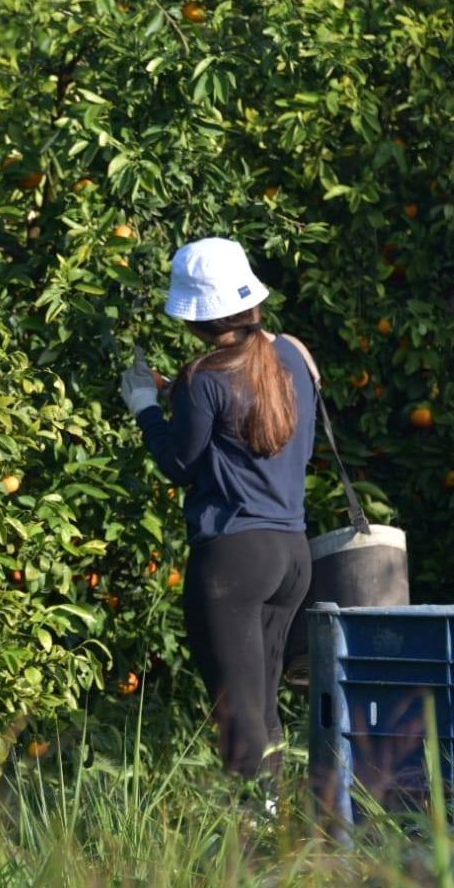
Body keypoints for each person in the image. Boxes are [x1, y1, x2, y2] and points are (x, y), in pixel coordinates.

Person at [119, 237, 316, 780]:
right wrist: (177, 396)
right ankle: (273, 829)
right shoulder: (293, 356)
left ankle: (251, 848)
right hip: (292, 554)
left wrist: (145, 408)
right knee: (264, 710)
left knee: (237, 715)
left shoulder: (204, 377)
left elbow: (180, 464)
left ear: (194, 319)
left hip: (234, 558)